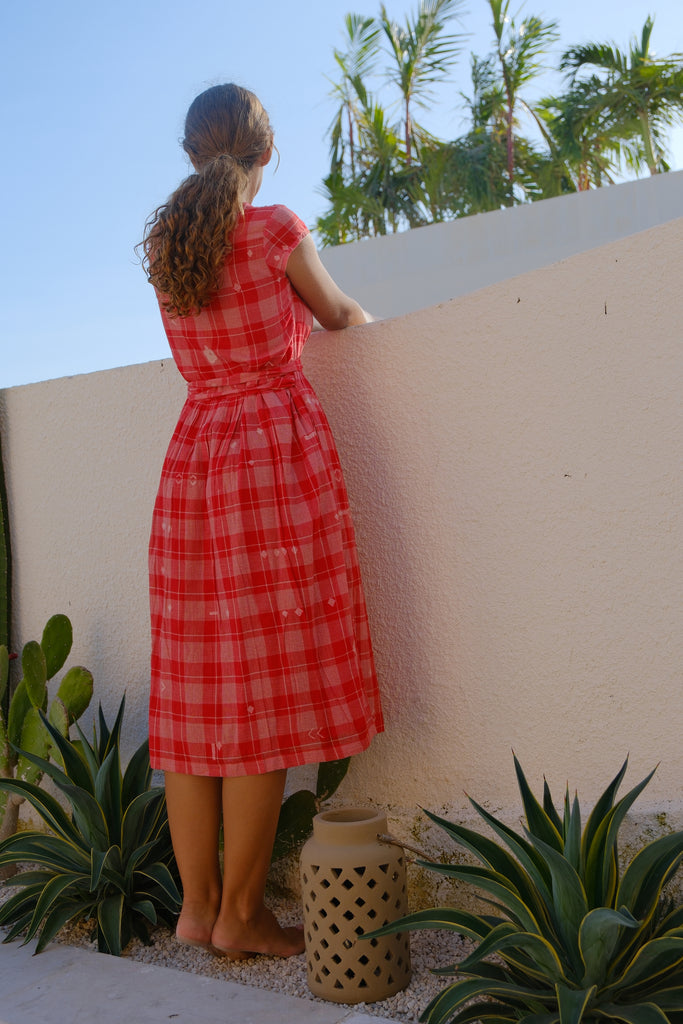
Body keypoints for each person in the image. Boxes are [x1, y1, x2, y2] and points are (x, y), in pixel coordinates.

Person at [139, 83, 384, 959]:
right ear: (263, 152)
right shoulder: (274, 227)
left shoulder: (171, 242)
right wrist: (357, 320)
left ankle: (197, 911)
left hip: (194, 458)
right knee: (260, 690)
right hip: (266, 457)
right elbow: (338, 312)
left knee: (199, 694)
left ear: (190, 150)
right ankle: (241, 916)